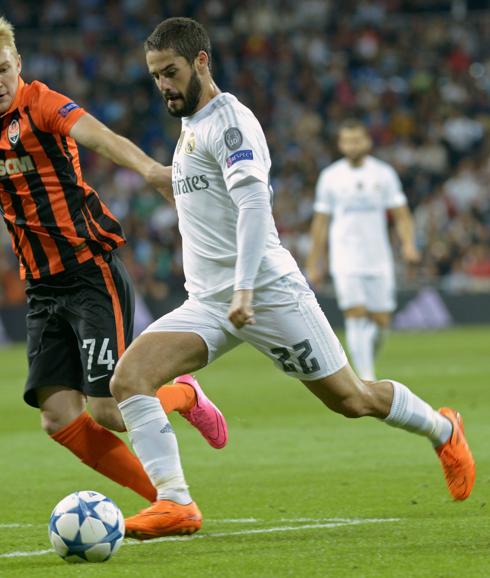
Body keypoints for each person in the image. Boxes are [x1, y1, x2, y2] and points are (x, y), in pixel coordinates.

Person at [109, 17, 475, 540]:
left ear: (201, 62)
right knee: (129, 380)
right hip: (209, 304)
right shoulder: (190, 128)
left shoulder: (230, 123)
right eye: (155, 76)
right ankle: (176, 503)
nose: (163, 85)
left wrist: (243, 288)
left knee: (351, 399)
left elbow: (255, 203)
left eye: (171, 72)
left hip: (267, 294)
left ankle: (443, 429)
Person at [0, 16, 227, 507]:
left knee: (108, 409)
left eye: (1, 69)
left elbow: (97, 135)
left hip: (88, 272)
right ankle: (158, 499)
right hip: (40, 285)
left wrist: (149, 170)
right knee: (58, 416)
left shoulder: (39, 101)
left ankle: (185, 394)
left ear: (17, 63)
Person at [306, 120, 420, 380]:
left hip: (378, 258)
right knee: (355, 313)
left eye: (357, 140)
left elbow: (401, 215)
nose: (352, 145)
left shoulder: (383, 174)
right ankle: (366, 378)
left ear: (367, 142)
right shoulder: (331, 177)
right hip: (345, 257)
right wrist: (315, 261)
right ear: (340, 144)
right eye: (347, 140)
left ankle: (366, 367)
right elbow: (320, 223)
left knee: (381, 322)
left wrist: (409, 245)